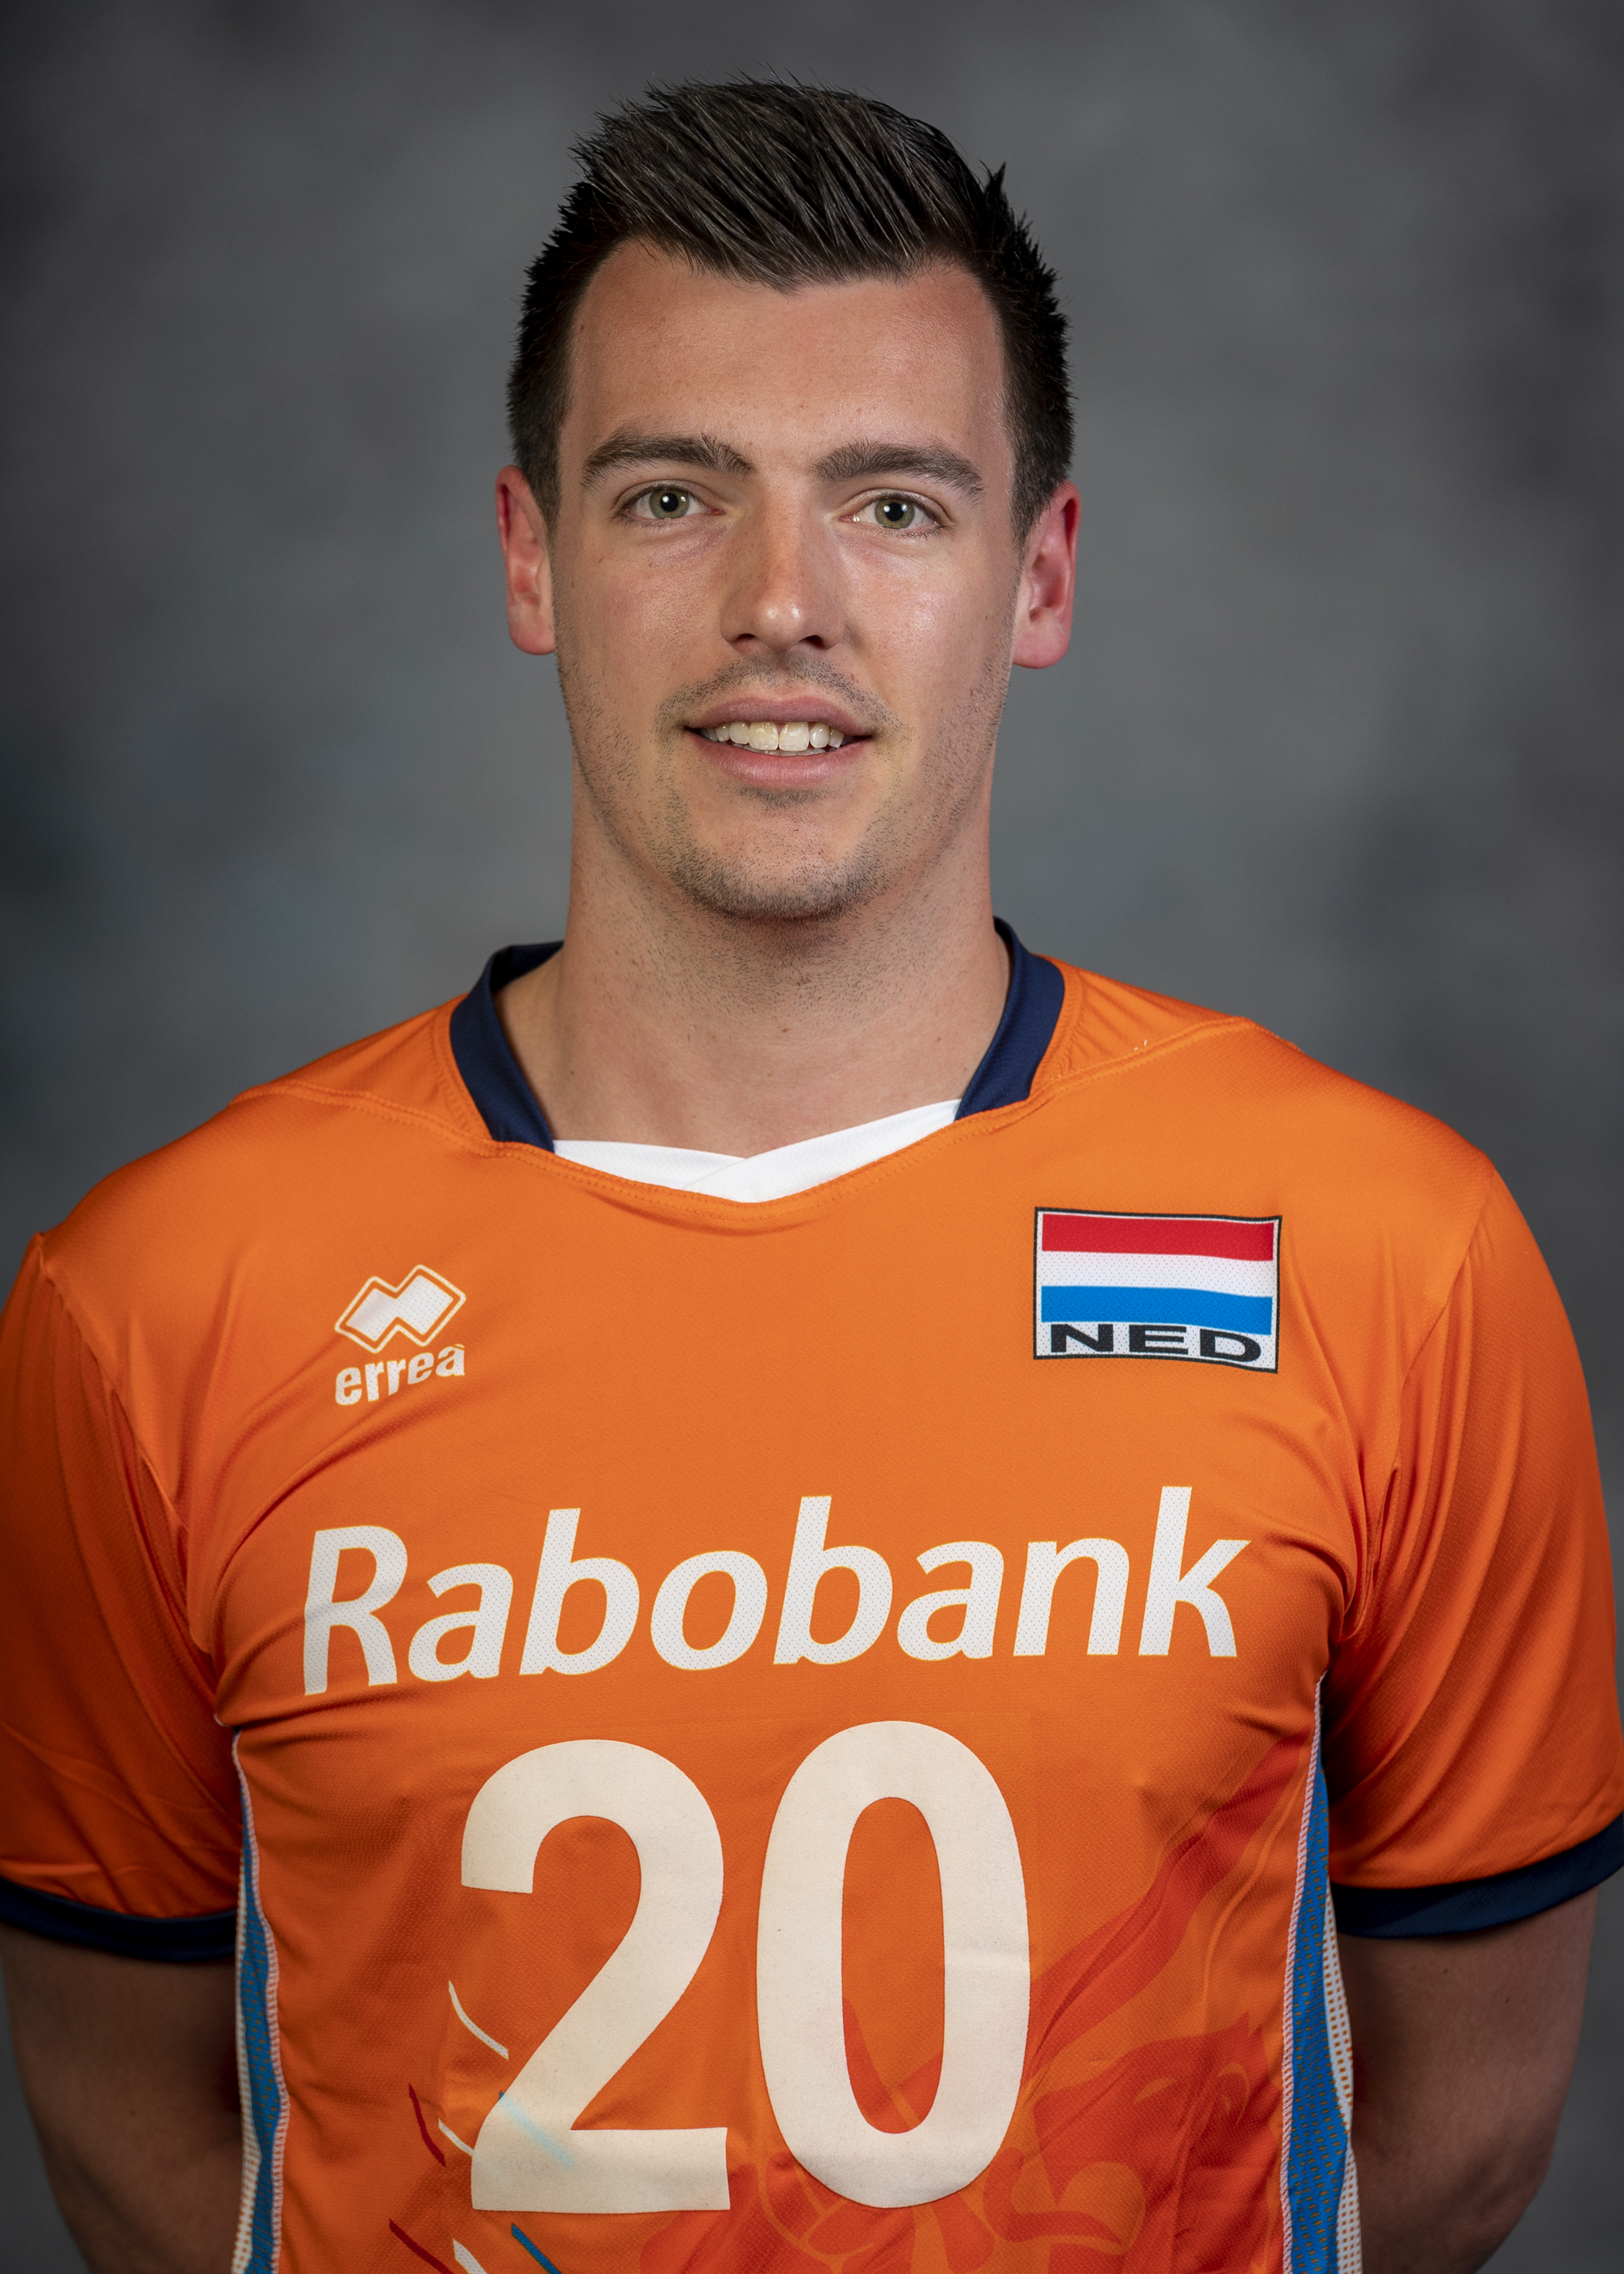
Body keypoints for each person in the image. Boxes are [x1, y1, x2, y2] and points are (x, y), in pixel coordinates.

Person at [1, 77, 1618, 2274]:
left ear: (1038, 576)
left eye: (897, 505)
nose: (784, 602)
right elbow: (126, 2130)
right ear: (530, 558)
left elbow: (1470, 2125)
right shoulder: (157, 1304)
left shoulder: (1388, 1256)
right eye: (674, 496)